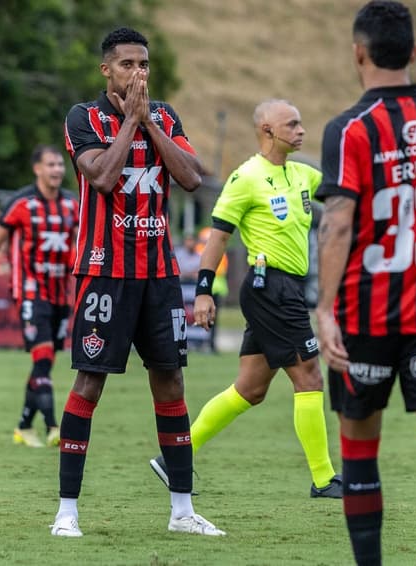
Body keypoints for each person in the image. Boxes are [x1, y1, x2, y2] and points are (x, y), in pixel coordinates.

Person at [315, 3, 416, 565]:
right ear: (414, 51)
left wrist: (326, 309)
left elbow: (337, 224)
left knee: (360, 450)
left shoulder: (349, 129)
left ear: (358, 53)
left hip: (366, 314)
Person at [51, 27, 224, 538]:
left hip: (160, 274)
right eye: (127, 64)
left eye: (143, 64)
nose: (138, 73)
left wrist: (149, 123)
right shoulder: (83, 118)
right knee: (90, 381)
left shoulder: (165, 116)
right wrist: (130, 121)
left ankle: (182, 511)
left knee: (171, 381)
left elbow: (193, 178)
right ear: (107, 70)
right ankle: (67, 512)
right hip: (104, 272)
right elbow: (102, 177)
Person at [149, 99, 342, 499]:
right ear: (268, 131)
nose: (302, 130)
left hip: (285, 288)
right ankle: (324, 480)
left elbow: (343, 195)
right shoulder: (247, 178)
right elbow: (217, 235)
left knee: (250, 389)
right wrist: (203, 291)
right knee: (309, 375)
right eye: (293, 124)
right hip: (269, 288)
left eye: (301, 122)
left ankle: (173, 457)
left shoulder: (302, 175)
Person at [0, 145, 77, 449]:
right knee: (42, 358)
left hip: (60, 295)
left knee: (45, 363)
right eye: (50, 164)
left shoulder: (71, 205)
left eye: (59, 165)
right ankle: (53, 426)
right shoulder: (21, 204)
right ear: (37, 169)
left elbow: (81, 248)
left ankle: (24, 426)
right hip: (29, 293)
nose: (57, 170)